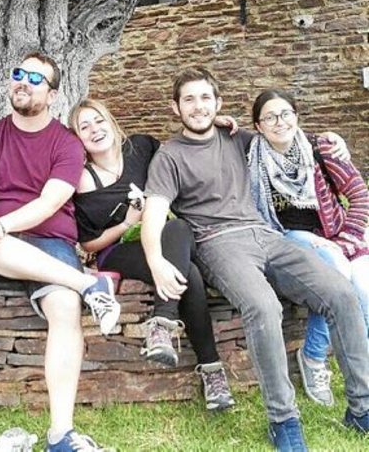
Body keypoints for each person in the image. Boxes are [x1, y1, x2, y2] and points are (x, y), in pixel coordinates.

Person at [140, 66, 369, 451]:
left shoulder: (238, 138)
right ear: (175, 108)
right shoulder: (169, 156)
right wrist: (156, 260)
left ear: (219, 103)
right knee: (263, 308)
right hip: (217, 243)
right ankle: (283, 420)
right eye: (189, 99)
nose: (198, 106)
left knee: (342, 294)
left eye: (205, 97)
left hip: (266, 234)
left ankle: (361, 408)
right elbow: (153, 214)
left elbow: (284, 133)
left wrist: (330, 140)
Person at [0, 53, 121, 452]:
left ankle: (60, 434)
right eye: (18, 74)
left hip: (49, 239)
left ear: (53, 94)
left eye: (35, 78)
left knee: (64, 307)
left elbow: (49, 203)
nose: (23, 82)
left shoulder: (66, 143)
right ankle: (88, 284)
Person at [69, 98, 234, 411]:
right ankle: (212, 371)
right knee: (190, 274)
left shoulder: (141, 148)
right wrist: (127, 223)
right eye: (84, 127)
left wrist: (211, 124)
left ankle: (162, 324)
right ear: (78, 138)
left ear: (111, 122)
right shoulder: (83, 179)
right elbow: (89, 244)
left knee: (178, 229)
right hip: (118, 251)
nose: (94, 130)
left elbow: (181, 153)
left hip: (169, 238)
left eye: (99, 120)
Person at [247, 88, 369, 407]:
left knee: (365, 291)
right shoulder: (250, 156)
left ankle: (361, 370)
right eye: (270, 117)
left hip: (341, 236)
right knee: (335, 275)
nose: (280, 122)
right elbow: (217, 130)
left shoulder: (321, 148)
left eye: (286, 113)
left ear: (296, 115)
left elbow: (359, 195)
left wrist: (347, 238)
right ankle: (314, 357)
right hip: (288, 237)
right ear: (258, 126)